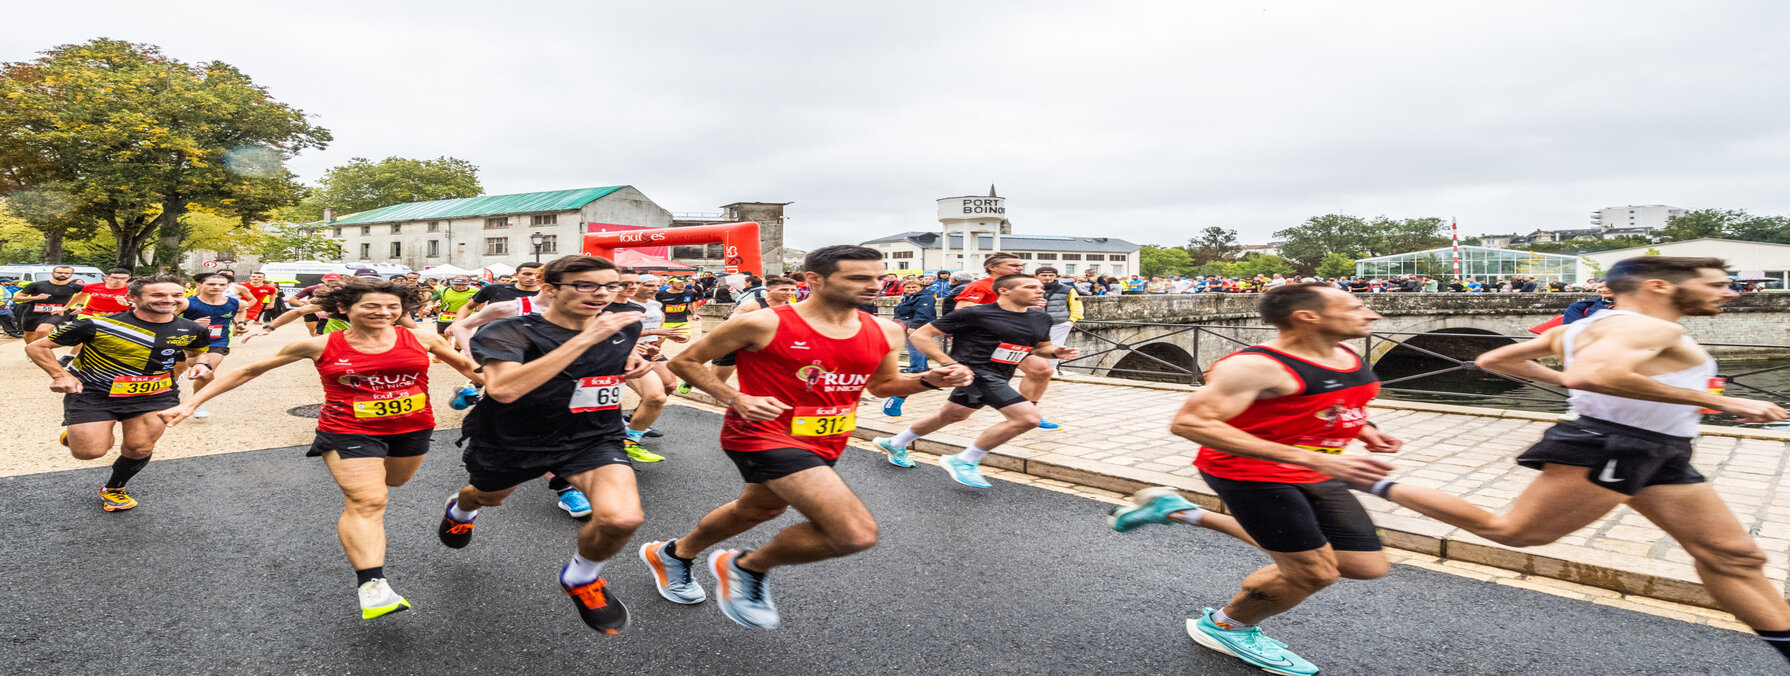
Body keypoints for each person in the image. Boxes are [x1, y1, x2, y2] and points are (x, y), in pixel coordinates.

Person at [1359, 256, 1790, 666]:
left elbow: (1495, 358)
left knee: (1733, 555)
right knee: (1513, 532)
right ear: (1659, 286)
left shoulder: (1589, 325)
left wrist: (1565, 378)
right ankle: (1365, 481)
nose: (1731, 293)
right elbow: (1592, 376)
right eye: (1715, 285)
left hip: (1659, 449)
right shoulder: (1649, 329)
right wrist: (1727, 402)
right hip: (1613, 445)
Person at [646, 245, 971, 629]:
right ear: (814, 280)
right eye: (858, 278)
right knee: (855, 534)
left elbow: (883, 386)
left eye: (877, 277)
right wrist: (736, 397)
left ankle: (673, 554)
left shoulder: (887, 329)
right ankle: (746, 566)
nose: (873, 285)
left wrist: (928, 381)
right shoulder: (763, 323)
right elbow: (685, 361)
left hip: (828, 438)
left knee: (758, 510)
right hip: (761, 433)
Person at [1106, 282, 1399, 674]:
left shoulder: (1343, 353)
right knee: (1316, 572)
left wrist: (1364, 429)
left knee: (1367, 566)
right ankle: (1227, 627)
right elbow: (1190, 423)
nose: (1372, 314)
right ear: (1307, 316)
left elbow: (1335, 401)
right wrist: (1316, 459)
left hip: (1314, 469)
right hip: (1250, 474)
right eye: (1356, 307)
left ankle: (1178, 511)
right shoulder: (1255, 367)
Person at [159, 277, 480, 620]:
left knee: (396, 482)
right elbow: (249, 371)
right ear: (344, 308)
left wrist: (505, 388)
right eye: (371, 306)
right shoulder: (320, 345)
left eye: (391, 307)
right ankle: (373, 586)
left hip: (413, 427)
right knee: (368, 500)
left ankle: (451, 509)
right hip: (347, 429)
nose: (383, 312)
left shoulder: (421, 338)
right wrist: (192, 403)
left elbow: (468, 367)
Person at [435, 254, 652, 635]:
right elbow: (503, 388)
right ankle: (460, 510)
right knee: (489, 497)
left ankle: (581, 577)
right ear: (549, 289)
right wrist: (588, 338)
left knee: (622, 517)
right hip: (513, 439)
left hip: (592, 436)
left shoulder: (621, 327)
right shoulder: (508, 332)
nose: (601, 294)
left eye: (610, 285)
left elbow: (612, 359)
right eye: (586, 285)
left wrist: (634, 362)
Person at [25, 275, 210, 512]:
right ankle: (81, 435)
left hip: (155, 394)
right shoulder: (98, 324)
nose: (169, 300)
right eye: (158, 295)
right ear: (131, 298)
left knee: (140, 448)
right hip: (95, 393)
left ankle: (114, 488)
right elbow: (36, 347)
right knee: (89, 452)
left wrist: (201, 364)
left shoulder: (192, 328)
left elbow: (197, 353)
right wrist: (60, 375)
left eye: (176, 295)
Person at [875, 273, 1080, 486]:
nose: (1039, 290)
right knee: (1028, 418)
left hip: (1002, 373)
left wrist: (1056, 352)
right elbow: (920, 336)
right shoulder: (974, 314)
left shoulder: (1041, 318)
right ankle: (965, 460)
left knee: (952, 415)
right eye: (1030, 286)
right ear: (1004, 290)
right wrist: (947, 363)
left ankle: (896, 442)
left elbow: (1040, 347)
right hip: (975, 373)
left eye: (1039, 287)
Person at [951, 253, 1063, 429]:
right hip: (988, 342)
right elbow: (962, 307)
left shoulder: (1021, 285)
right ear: (992, 267)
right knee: (962, 396)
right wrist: (1005, 307)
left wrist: (1026, 307)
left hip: (1015, 339)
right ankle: (901, 393)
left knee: (1041, 371)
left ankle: (1029, 411)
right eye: (1013, 265)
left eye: (1020, 265)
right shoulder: (980, 285)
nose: (1019, 268)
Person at [702, 276, 799, 387]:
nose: (789, 293)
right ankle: (697, 378)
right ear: (768, 290)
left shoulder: (791, 308)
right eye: (784, 289)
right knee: (717, 381)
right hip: (734, 345)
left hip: (764, 350)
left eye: (792, 290)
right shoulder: (752, 305)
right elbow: (730, 325)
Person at [174, 273, 240, 419]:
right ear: (199, 285)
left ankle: (196, 403)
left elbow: (240, 312)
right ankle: (176, 379)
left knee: (206, 371)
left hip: (217, 343)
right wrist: (192, 325)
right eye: (211, 284)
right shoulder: (186, 303)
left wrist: (241, 324)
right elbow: (167, 320)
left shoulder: (234, 303)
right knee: (178, 369)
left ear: (228, 286)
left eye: (222, 285)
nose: (217, 287)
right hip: (187, 342)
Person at [14, 265, 85, 347]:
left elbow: (84, 294)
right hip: (33, 312)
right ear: (52, 273)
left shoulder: (75, 286)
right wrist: (36, 297)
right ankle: (32, 349)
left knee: (42, 331)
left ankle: (39, 351)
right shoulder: (36, 285)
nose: (63, 274)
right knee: (28, 335)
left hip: (57, 312)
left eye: (66, 273)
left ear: (71, 275)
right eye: (59, 272)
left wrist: (79, 305)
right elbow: (16, 298)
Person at [891, 279, 939, 373]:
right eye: (908, 287)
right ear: (904, 289)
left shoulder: (925, 297)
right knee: (917, 345)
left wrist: (914, 326)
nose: (911, 289)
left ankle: (916, 367)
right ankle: (922, 366)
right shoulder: (907, 297)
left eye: (914, 287)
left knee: (914, 345)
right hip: (909, 322)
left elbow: (922, 312)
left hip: (917, 323)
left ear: (921, 288)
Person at [462, 261, 542, 314]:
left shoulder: (549, 295)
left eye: (537, 275)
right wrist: (458, 324)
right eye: (527, 274)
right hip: (491, 336)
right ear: (516, 275)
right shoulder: (494, 289)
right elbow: (468, 307)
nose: (532, 278)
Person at [71, 268, 135, 318]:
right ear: (106, 277)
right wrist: (69, 307)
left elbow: (142, 304)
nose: (118, 280)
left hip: (119, 316)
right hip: (90, 314)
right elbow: (81, 295)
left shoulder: (134, 288)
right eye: (114, 278)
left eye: (123, 278)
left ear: (129, 278)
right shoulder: (92, 286)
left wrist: (127, 304)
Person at [433, 276, 479, 342]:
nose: (460, 287)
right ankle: (446, 350)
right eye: (457, 284)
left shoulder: (476, 291)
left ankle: (456, 351)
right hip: (446, 315)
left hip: (465, 316)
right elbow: (433, 299)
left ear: (469, 283)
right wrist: (436, 304)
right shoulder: (443, 290)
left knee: (461, 337)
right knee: (443, 337)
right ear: (451, 283)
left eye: (463, 285)